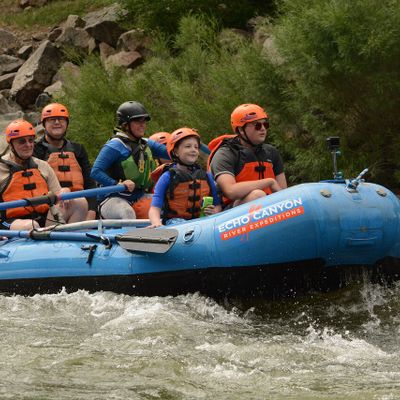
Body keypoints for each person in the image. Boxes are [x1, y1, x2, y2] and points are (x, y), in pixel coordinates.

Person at [0, 119, 88, 230]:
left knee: (80, 202)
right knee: (31, 225)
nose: (28, 145)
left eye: (31, 140)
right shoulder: (1, 168)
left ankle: (68, 239)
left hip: (43, 218)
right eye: (22, 142)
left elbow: (58, 194)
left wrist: (65, 190)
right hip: (10, 221)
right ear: (11, 144)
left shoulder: (43, 165)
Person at [91, 101, 169, 219]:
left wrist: (187, 143)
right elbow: (95, 172)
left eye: (144, 121)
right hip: (112, 198)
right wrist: (117, 184)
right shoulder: (115, 145)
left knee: (166, 206)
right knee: (127, 213)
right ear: (125, 125)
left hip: (138, 196)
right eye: (138, 121)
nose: (143, 125)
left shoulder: (146, 143)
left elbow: (170, 152)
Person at [209, 103, 286, 207]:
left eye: (265, 124)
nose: (263, 128)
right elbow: (230, 191)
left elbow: (283, 192)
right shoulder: (225, 154)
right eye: (257, 125)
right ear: (241, 130)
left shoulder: (271, 152)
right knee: (257, 195)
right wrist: (269, 182)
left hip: (270, 208)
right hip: (234, 211)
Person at [33, 103, 96, 220]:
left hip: (80, 206)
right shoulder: (35, 150)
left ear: (67, 123)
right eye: (52, 119)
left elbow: (90, 183)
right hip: (50, 208)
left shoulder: (78, 149)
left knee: (81, 203)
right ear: (44, 124)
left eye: (61, 119)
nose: (57, 122)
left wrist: (92, 210)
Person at [148, 127, 221, 227]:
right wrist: (156, 223)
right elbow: (155, 207)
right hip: (175, 223)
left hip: (201, 222)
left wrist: (214, 211)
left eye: (196, 147)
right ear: (175, 152)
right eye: (188, 146)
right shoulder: (167, 176)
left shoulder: (207, 176)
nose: (193, 150)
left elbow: (217, 205)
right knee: (179, 223)